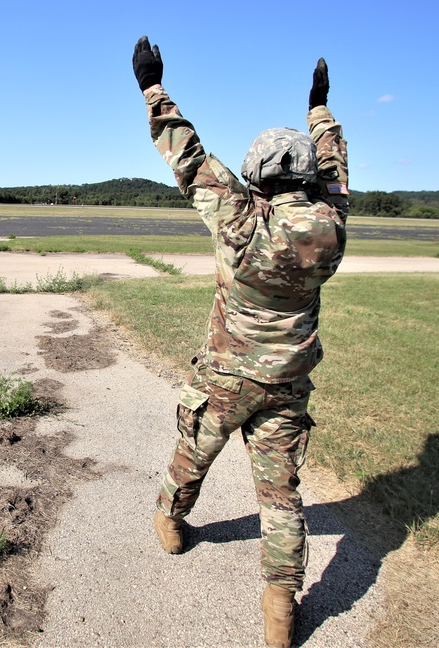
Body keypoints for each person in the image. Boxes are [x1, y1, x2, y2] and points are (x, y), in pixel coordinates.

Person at [132, 36, 349, 648]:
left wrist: (152, 84)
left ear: (257, 177)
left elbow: (187, 154)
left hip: (225, 376)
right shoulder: (331, 224)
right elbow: (334, 169)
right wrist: (321, 111)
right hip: (285, 383)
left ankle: (171, 519)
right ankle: (280, 608)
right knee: (280, 495)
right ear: (307, 175)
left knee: (194, 452)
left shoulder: (239, 215)